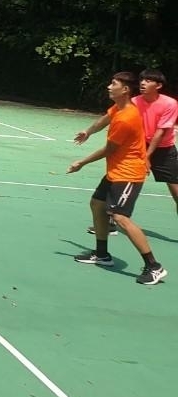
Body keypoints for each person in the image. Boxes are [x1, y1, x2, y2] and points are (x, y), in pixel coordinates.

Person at [69, 71, 166, 285]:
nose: (109, 87)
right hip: (116, 171)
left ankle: (154, 266)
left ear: (125, 90)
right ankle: (102, 254)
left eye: (113, 84)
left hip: (129, 174)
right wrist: (88, 131)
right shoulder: (119, 108)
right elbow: (105, 118)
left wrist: (81, 163)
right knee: (97, 204)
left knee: (120, 217)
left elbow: (109, 149)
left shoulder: (126, 118)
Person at [75, 68, 178, 226]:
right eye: (142, 80)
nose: (143, 83)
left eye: (148, 81)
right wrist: (88, 131)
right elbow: (108, 117)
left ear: (158, 86)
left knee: (176, 192)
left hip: (164, 150)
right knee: (117, 180)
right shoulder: (134, 102)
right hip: (137, 147)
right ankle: (109, 223)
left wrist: (147, 156)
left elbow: (160, 132)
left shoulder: (170, 103)